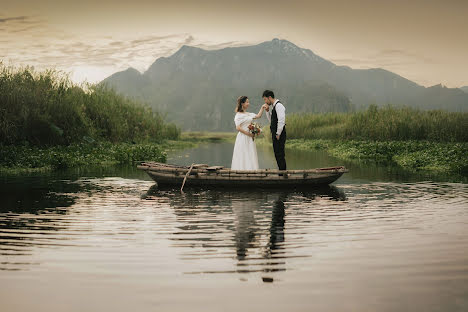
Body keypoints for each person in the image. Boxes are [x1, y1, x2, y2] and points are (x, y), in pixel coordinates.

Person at [231, 96, 266, 170]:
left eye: (248, 102)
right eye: (247, 102)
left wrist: (262, 108)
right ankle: (241, 170)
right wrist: (249, 134)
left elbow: (258, 116)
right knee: (243, 153)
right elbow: (238, 127)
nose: (248, 103)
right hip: (243, 137)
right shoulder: (238, 115)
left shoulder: (248, 114)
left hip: (250, 138)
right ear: (242, 103)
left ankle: (251, 170)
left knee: (250, 153)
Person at [262, 90, 287, 172]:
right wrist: (267, 111)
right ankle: (282, 172)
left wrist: (278, 133)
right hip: (276, 133)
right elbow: (271, 121)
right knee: (277, 153)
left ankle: (283, 173)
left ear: (269, 97)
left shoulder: (279, 106)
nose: (265, 102)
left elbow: (281, 120)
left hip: (278, 134)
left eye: (265, 99)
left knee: (280, 154)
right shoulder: (274, 106)